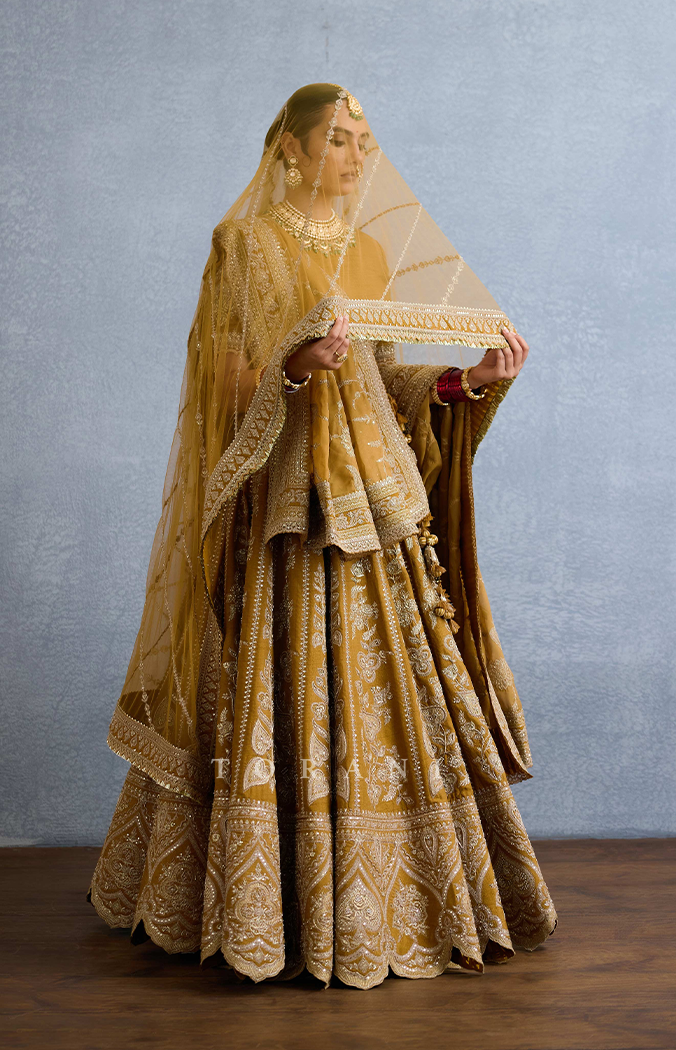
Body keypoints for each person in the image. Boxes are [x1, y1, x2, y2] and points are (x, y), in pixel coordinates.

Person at [87, 83, 557, 991]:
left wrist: (465, 382)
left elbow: (384, 381)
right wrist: (294, 369)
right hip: (290, 504)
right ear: (291, 150)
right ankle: (263, 904)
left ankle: (402, 901)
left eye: (363, 140)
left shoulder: (370, 249)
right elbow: (221, 382)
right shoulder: (244, 245)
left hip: (375, 503)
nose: (356, 156)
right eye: (337, 138)